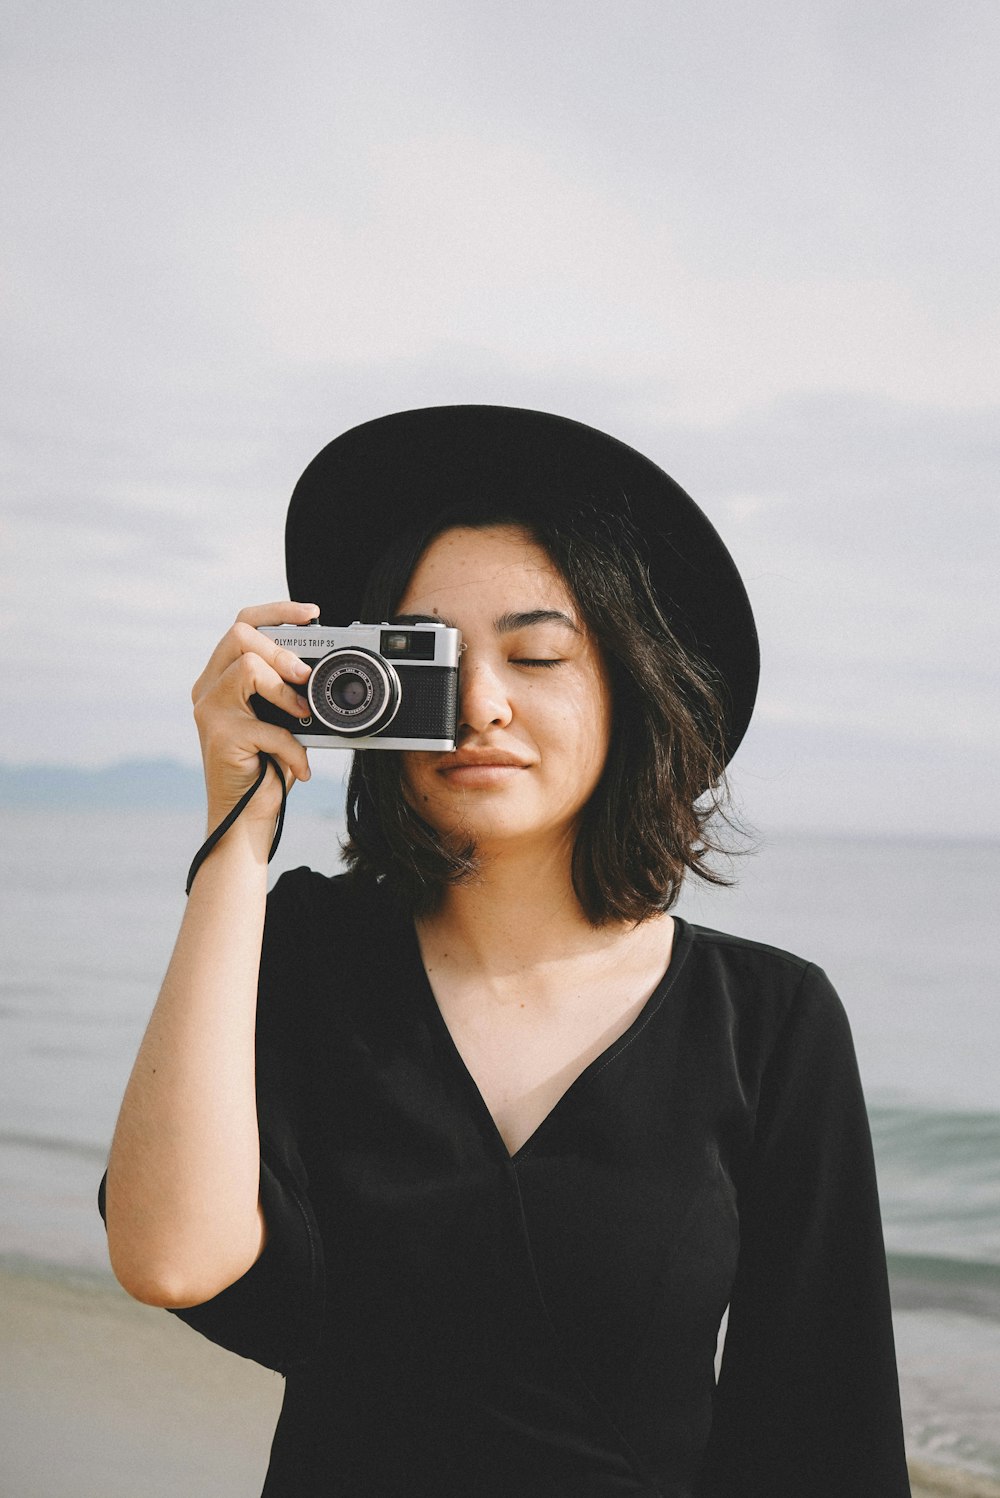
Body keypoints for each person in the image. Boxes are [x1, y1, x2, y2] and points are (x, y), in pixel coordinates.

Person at [100, 406, 911, 1497]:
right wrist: (239, 836)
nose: (480, 705)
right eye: (430, 658)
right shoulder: (300, 952)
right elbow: (170, 1256)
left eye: (537, 654)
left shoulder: (768, 1019)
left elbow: (820, 1427)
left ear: (630, 687)